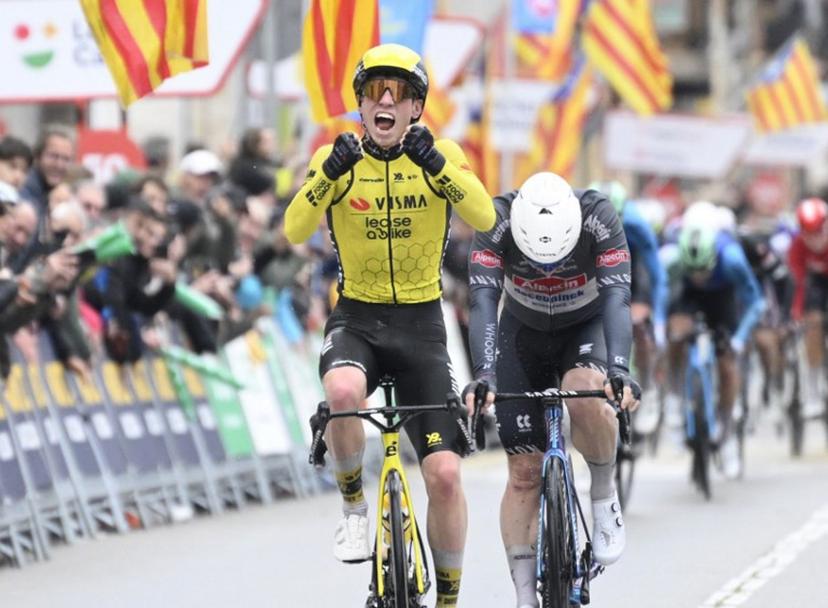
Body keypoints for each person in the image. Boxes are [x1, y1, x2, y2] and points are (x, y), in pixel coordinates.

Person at [285, 43, 495, 607]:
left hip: (422, 326)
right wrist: (327, 176)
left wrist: (437, 166)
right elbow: (294, 228)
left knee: (445, 476)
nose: (385, 100)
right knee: (341, 393)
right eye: (374, 90)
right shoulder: (336, 157)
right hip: (358, 317)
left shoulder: (441, 153)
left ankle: (447, 598)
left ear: (416, 107)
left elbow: (483, 215)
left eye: (398, 92)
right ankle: (355, 506)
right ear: (359, 103)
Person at [463, 172, 639, 608]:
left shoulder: (598, 216)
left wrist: (619, 370)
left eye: (556, 261)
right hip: (521, 332)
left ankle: (603, 492)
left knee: (587, 393)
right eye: (537, 263)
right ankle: (525, 595)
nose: (547, 272)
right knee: (523, 473)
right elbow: (482, 301)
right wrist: (484, 375)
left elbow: (617, 298)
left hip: (585, 327)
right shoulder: (495, 220)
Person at [661, 224, 765, 478]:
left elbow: (755, 303)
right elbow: (661, 296)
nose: (699, 276)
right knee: (675, 335)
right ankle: (674, 398)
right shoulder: (673, 261)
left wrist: (739, 338)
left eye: (704, 271)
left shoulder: (732, 260)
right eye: (693, 271)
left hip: (723, 300)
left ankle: (727, 434)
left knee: (727, 363)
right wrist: (661, 327)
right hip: (689, 298)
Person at [588, 181, 668, 435]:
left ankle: (648, 386)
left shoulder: (636, 225)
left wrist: (659, 320)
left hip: (633, 271)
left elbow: (657, 276)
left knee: (637, 321)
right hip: (595, 270)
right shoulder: (578, 219)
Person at [788, 197, 828, 417]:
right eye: (808, 233)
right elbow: (798, 283)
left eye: (818, 232)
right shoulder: (797, 246)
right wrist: (796, 312)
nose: (814, 239)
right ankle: (813, 391)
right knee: (812, 326)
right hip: (814, 286)